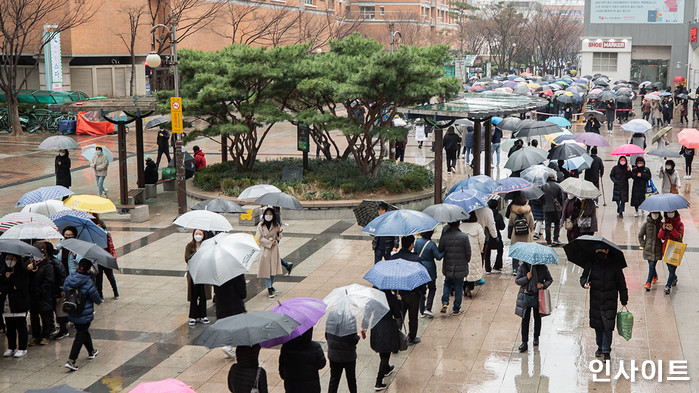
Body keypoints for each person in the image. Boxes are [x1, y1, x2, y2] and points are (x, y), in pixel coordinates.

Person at [580, 246, 628, 361]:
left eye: (602, 250)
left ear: (607, 251)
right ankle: (600, 346)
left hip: (609, 301)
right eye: (598, 250)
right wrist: (584, 283)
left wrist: (624, 298)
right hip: (596, 300)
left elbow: (621, 283)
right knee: (598, 325)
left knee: (607, 326)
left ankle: (606, 350)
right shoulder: (591, 263)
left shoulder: (615, 265)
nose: (599, 252)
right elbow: (583, 277)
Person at [64, 259, 102, 371]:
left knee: (83, 331)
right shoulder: (88, 281)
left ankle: (91, 351)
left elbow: (66, 289)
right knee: (81, 334)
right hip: (84, 313)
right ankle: (71, 360)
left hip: (72, 310)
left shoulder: (70, 278)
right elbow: (96, 298)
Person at [388, 236, 423, 344]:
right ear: (411, 245)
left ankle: (395, 338)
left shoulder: (394, 258)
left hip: (398, 293)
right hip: (413, 293)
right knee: (413, 318)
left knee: (399, 317)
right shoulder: (416, 259)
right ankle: (412, 337)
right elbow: (421, 278)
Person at [515, 261, 553, 352]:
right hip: (526, 296)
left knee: (537, 318)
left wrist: (543, 285)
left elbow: (549, 279)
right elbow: (517, 281)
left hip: (537, 296)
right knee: (525, 319)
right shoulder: (523, 267)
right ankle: (524, 342)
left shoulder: (543, 267)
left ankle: (536, 337)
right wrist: (526, 278)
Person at [370, 290, 402, 391]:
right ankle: (378, 382)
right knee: (386, 354)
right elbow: (397, 314)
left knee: (381, 349)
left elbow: (368, 310)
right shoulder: (391, 298)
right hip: (387, 327)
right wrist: (399, 301)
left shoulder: (375, 298)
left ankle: (387, 368)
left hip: (376, 326)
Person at [0, 253, 30, 358]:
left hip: (19, 303)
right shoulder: (4, 272)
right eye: (7, 258)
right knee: (10, 327)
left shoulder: (23, 272)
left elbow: (21, 287)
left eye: (11, 258)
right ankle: (11, 347)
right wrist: (9, 284)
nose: (9, 260)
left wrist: (10, 280)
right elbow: (5, 287)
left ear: (17, 259)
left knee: (21, 327)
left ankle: (22, 348)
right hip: (7, 304)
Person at [279, 327, 326, 393]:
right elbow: (321, 364)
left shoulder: (286, 347)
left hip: (292, 387)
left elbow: (282, 369)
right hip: (311, 387)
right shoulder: (315, 347)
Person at [438, 221, 471, 315]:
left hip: (448, 264)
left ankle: (445, 302)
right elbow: (468, 252)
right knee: (458, 286)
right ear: (458, 224)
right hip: (460, 265)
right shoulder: (464, 237)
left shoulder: (445, 236)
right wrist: (466, 261)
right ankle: (456, 309)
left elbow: (440, 249)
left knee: (447, 283)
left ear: (448, 224)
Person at [27, 242, 55, 346]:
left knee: (45, 317)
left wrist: (40, 291)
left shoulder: (48, 265)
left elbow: (49, 280)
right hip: (32, 296)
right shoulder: (30, 264)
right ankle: (35, 336)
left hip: (44, 296)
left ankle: (45, 335)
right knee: (34, 318)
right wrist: (29, 270)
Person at [325, 311, 360, 393]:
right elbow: (353, 340)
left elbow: (327, 335)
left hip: (334, 355)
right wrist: (358, 336)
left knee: (334, 380)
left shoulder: (331, 316)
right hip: (348, 356)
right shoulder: (350, 318)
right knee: (351, 379)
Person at [215, 272, 246, 359]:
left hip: (221, 305)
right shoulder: (237, 272)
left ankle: (227, 346)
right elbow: (243, 293)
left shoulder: (216, 272)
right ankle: (228, 347)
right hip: (235, 305)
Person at [184, 230, 212, 325]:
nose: (198, 236)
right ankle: (193, 316)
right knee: (193, 295)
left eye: (200, 234)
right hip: (193, 273)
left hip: (203, 273)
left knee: (203, 294)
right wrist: (196, 254)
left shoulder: (206, 246)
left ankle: (203, 315)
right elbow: (187, 258)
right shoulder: (190, 246)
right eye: (196, 234)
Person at [413, 231, 444, 318]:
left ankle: (422, 310)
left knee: (421, 290)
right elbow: (438, 257)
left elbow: (415, 253)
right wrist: (445, 251)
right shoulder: (431, 244)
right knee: (432, 288)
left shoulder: (417, 242)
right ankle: (428, 307)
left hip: (419, 268)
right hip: (430, 270)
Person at [44, 242, 69, 340]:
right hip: (48, 291)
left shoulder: (55, 262)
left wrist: (62, 288)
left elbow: (62, 275)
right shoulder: (43, 262)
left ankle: (63, 330)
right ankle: (52, 328)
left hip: (56, 291)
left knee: (59, 311)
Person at [257, 207, 283, 298]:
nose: (269, 216)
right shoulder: (260, 225)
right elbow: (259, 238)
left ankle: (271, 286)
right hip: (265, 249)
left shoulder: (276, 225)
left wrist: (278, 232)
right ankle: (269, 288)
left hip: (274, 250)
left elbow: (280, 237)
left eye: (270, 214)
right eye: (267, 214)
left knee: (273, 269)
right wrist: (269, 243)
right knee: (265, 269)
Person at [658, 210, 684, 295]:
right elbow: (660, 236)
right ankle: (674, 278)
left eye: (672, 212)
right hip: (666, 249)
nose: (670, 213)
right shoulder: (664, 223)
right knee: (670, 268)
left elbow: (679, 237)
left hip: (676, 249)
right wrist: (663, 229)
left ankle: (668, 286)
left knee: (672, 269)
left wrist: (672, 229)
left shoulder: (680, 224)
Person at [93, 220, 119, 300]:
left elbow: (111, 248)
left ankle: (116, 293)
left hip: (106, 259)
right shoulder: (94, 237)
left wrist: (113, 259)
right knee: (99, 279)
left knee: (110, 277)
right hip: (98, 260)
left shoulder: (107, 236)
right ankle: (100, 295)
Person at [508, 196, 535, 274]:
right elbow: (532, 224)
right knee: (526, 251)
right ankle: (526, 268)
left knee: (516, 251)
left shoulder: (513, 212)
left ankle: (515, 269)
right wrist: (529, 231)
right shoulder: (528, 212)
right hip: (526, 235)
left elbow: (510, 223)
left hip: (515, 235)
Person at [638, 211, 663, 292]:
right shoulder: (646, 224)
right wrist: (644, 245)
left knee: (652, 265)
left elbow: (663, 237)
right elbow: (640, 235)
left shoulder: (661, 224)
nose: (655, 215)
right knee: (651, 265)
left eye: (656, 213)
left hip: (657, 248)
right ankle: (655, 276)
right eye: (653, 213)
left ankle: (648, 282)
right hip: (648, 248)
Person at [462, 213, 485, 298]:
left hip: (462, 252)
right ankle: (469, 287)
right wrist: (480, 249)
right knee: (472, 270)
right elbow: (482, 239)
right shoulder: (477, 226)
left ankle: (464, 287)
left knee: (464, 270)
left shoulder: (461, 226)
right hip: (474, 251)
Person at [484, 199, 505, 273]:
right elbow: (502, 227)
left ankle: (487, 268)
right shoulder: (499, 215)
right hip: (497, 236)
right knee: (500, 249)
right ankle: (497, 265)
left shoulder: (486, 215)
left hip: (487, 236)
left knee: (487, 252)